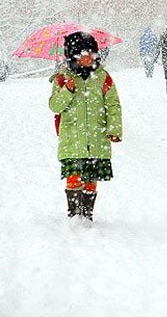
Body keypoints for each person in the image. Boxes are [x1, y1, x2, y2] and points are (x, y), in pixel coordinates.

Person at [49, 31, 122, 223]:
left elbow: (113, 104)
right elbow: (55, 106)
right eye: (84, 54)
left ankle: (87, 214)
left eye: (92, 53)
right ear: (73, 56)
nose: (89, 57)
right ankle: (74, 215)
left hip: (96, 137)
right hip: (72, 139)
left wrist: (114, 129)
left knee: (90, 177)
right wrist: (68, 90)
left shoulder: (102, 77)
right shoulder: (62, 79)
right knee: (74, 176)